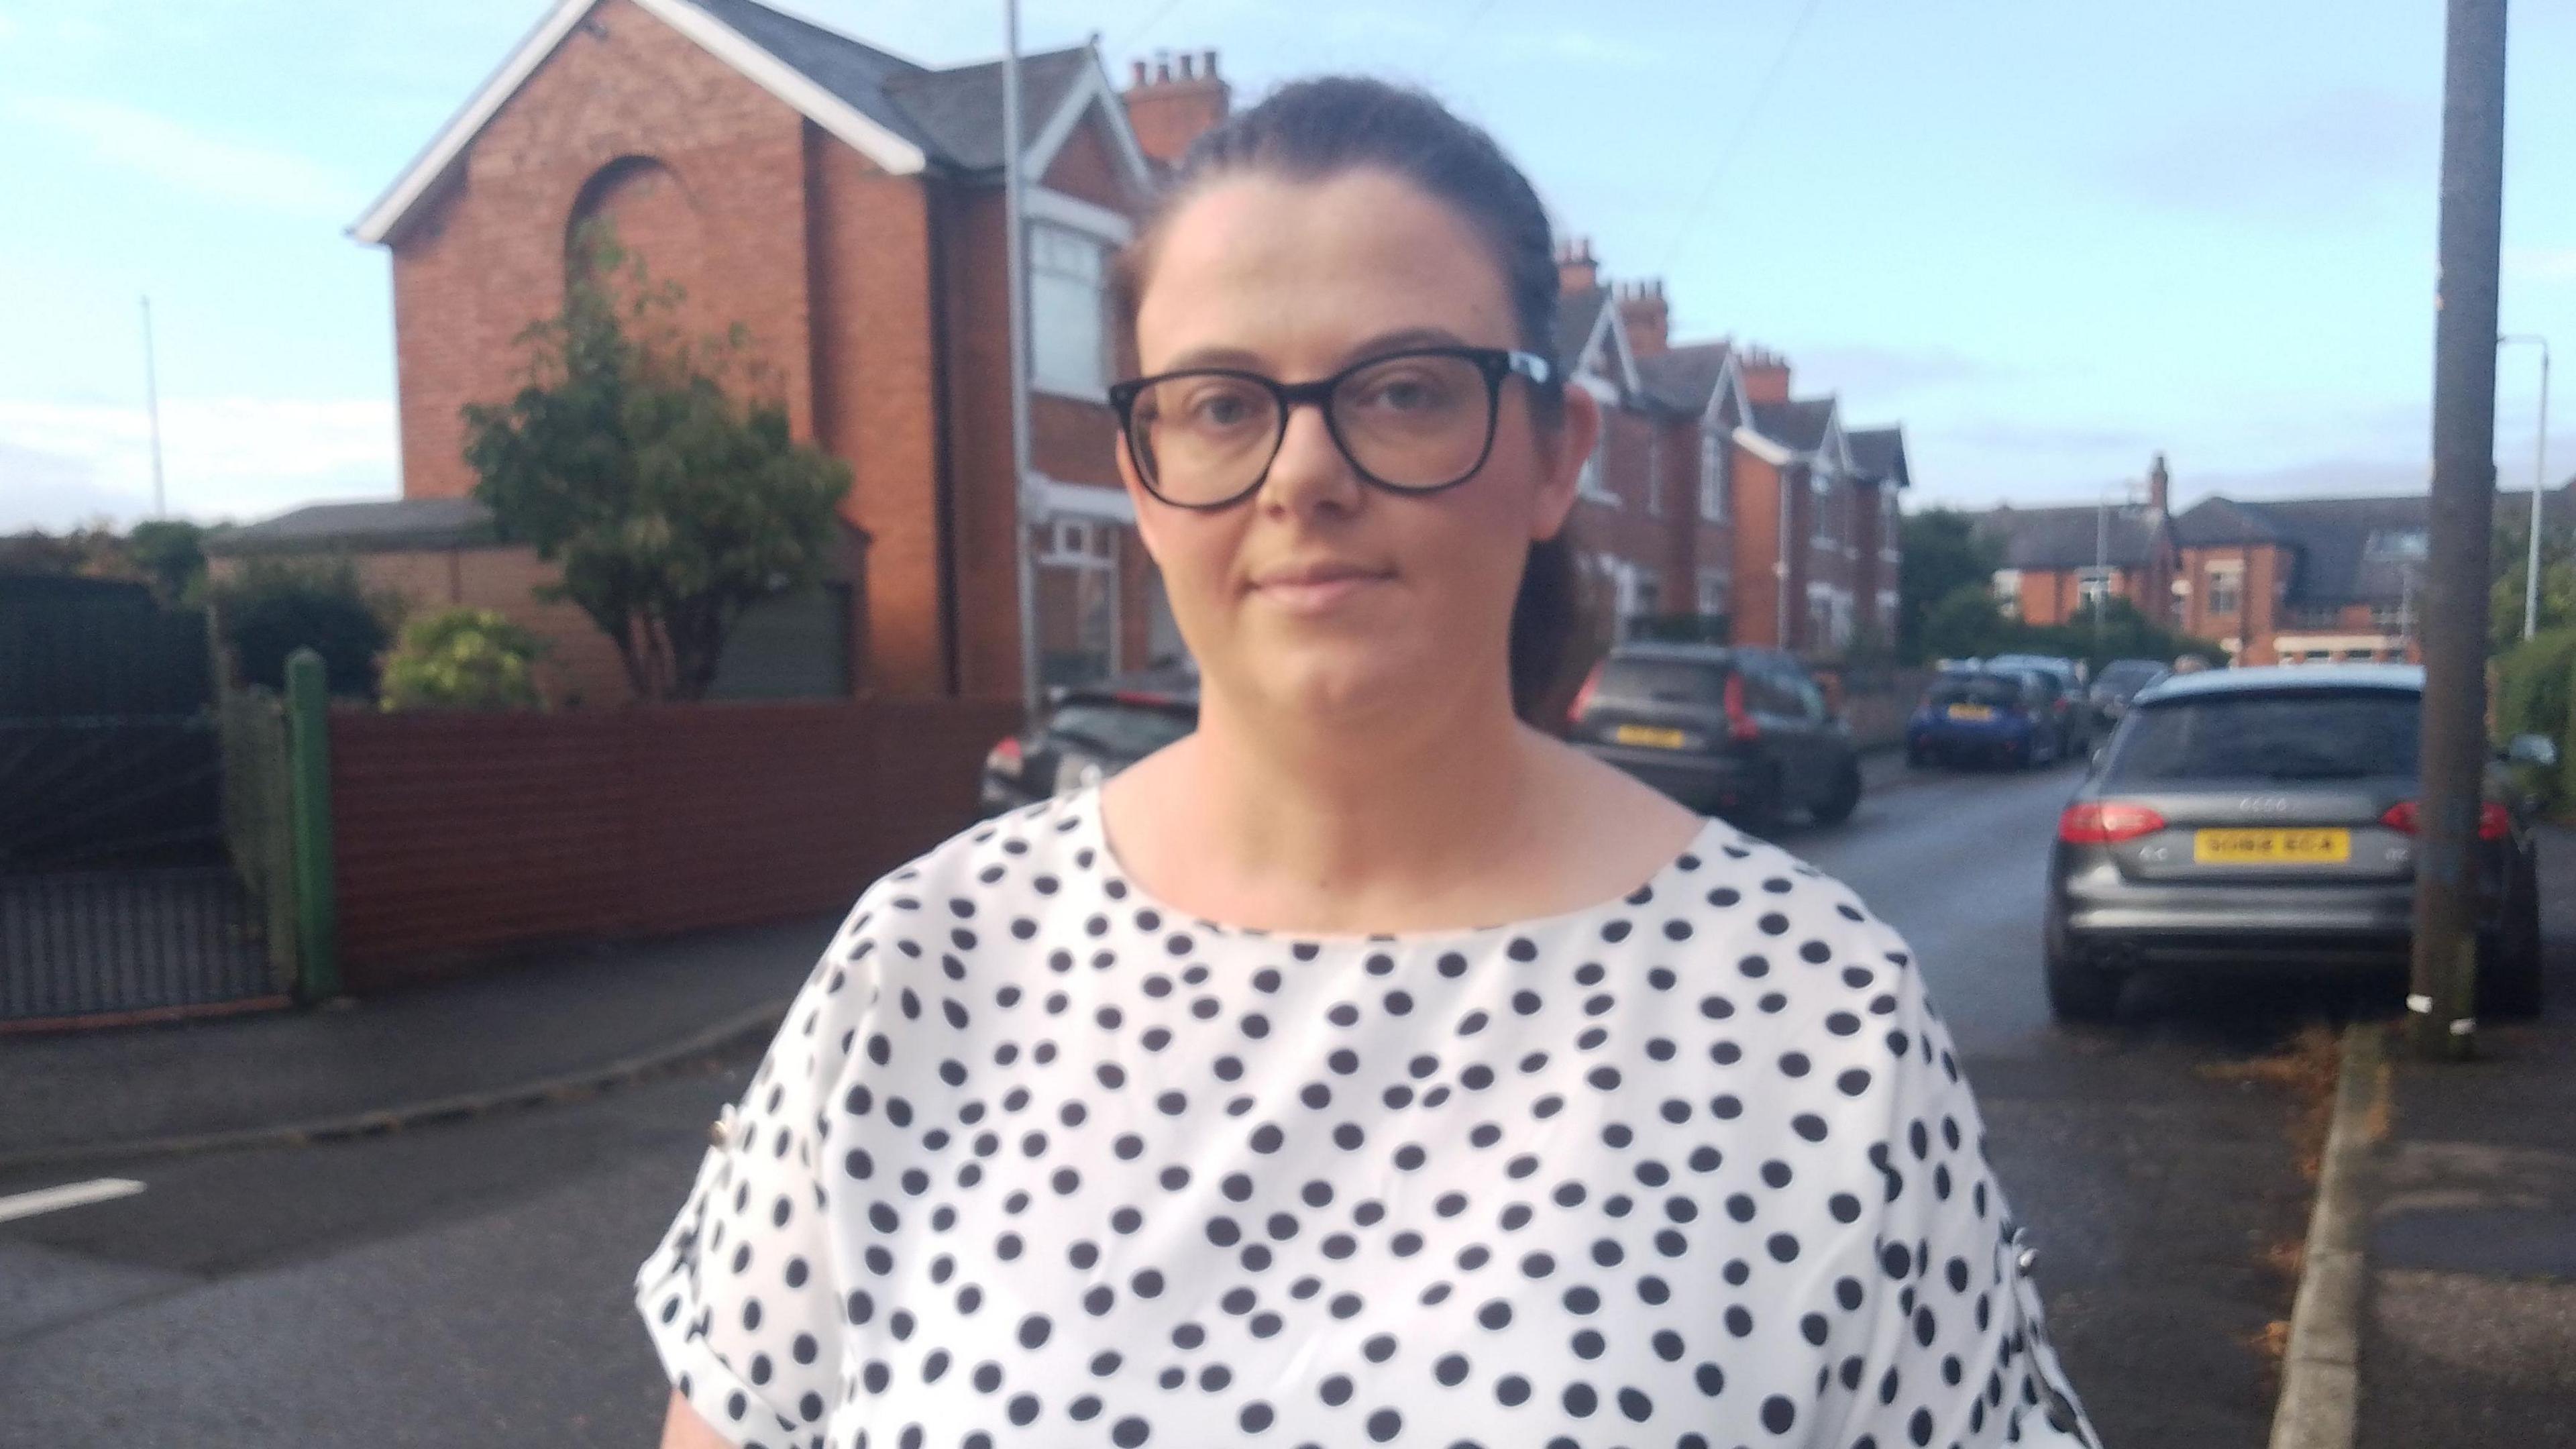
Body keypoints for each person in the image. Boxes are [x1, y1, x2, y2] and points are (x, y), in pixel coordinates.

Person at [638, 77, 2096, 1449]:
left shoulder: (1814, 1011)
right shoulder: (926, 965)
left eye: (1402, 390)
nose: (1302, 474)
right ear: (1143, 479)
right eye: (1218, 405)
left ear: (1550, 453)